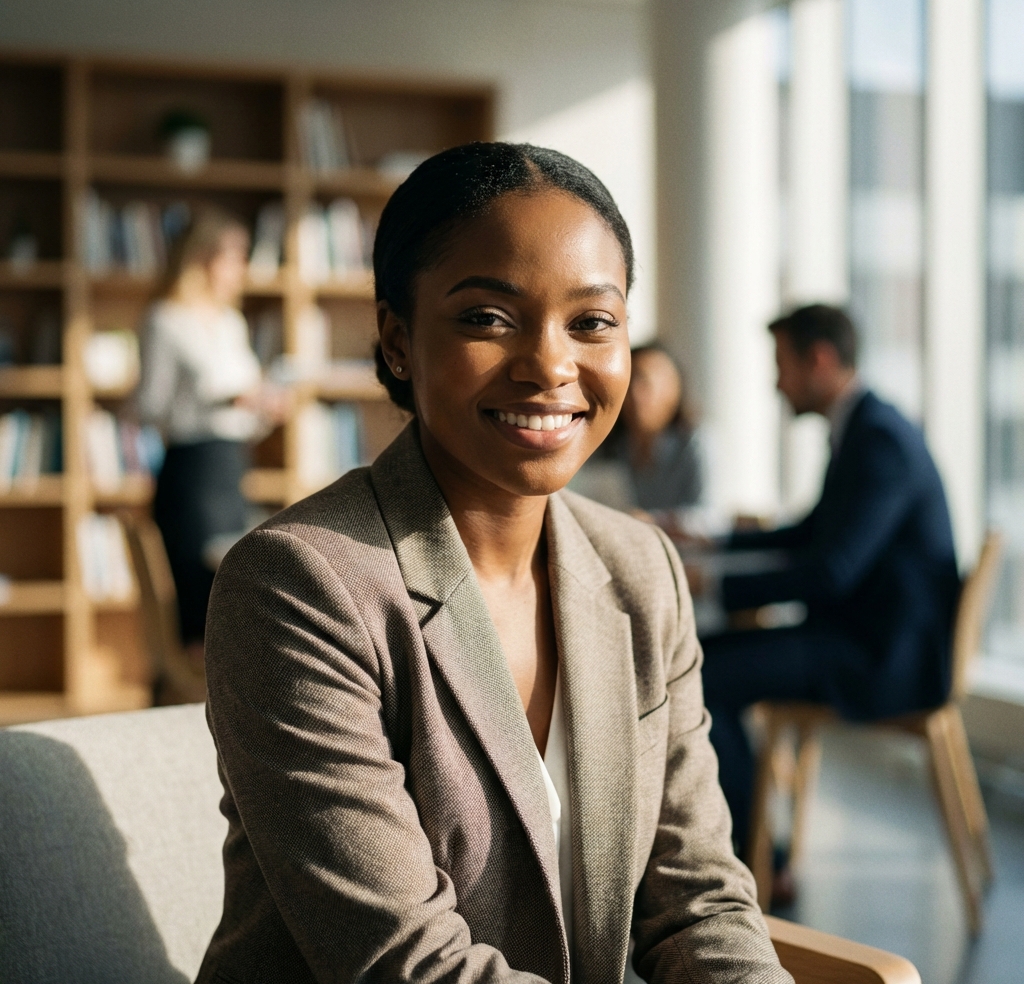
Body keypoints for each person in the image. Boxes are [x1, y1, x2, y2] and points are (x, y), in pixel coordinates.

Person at [197, 143, 789, 984]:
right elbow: (406, 966)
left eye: (592, 322)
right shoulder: (300, 584)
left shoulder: (641, 569)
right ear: (398, 341)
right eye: (487, 317)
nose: (550, 365)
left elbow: (700, 902)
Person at [700, 304, 960, 868]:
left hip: (879, 658)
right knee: (705, 664)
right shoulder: (865, 426)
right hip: (861, 636)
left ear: (818, 359)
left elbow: (831, 572)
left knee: (701, 676)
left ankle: (755, 858)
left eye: (781, 364)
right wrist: (713, 545)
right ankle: (756, 849)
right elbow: (809, 534)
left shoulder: (879, 440)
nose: (775, 383)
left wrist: (715, 587)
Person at [136, 208, 284, 651]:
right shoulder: (164, 321)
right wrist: (218, 398)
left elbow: (244, 416)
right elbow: (149, 407)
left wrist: (264, 408)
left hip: (231, 466)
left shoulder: (230, 323)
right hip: (191, 473)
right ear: (203, 259)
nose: (242, 269)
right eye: (235, 257)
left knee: (235, 594)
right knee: (199, 606)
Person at [570, 344, 703, 514]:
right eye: (629, 383)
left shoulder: (694, 445)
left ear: (673, 390)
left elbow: (708, 519)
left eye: (646, 383)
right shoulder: (611, 448)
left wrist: (649, 522)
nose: (635, 394)